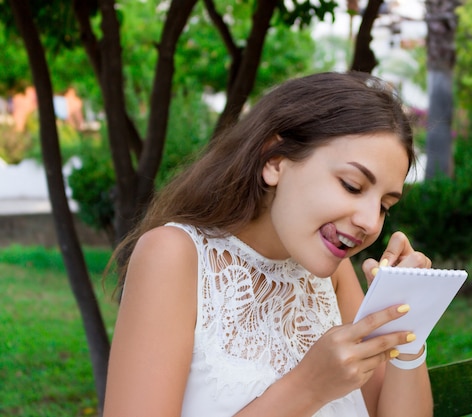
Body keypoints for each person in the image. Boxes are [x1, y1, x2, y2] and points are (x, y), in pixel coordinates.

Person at [103, 71, 434, 417]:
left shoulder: (334, 278)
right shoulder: (174, 256)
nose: (369, 221)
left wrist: (405, 316)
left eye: (384, 206)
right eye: (352, 185)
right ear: (275, 161)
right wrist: (307, 387)